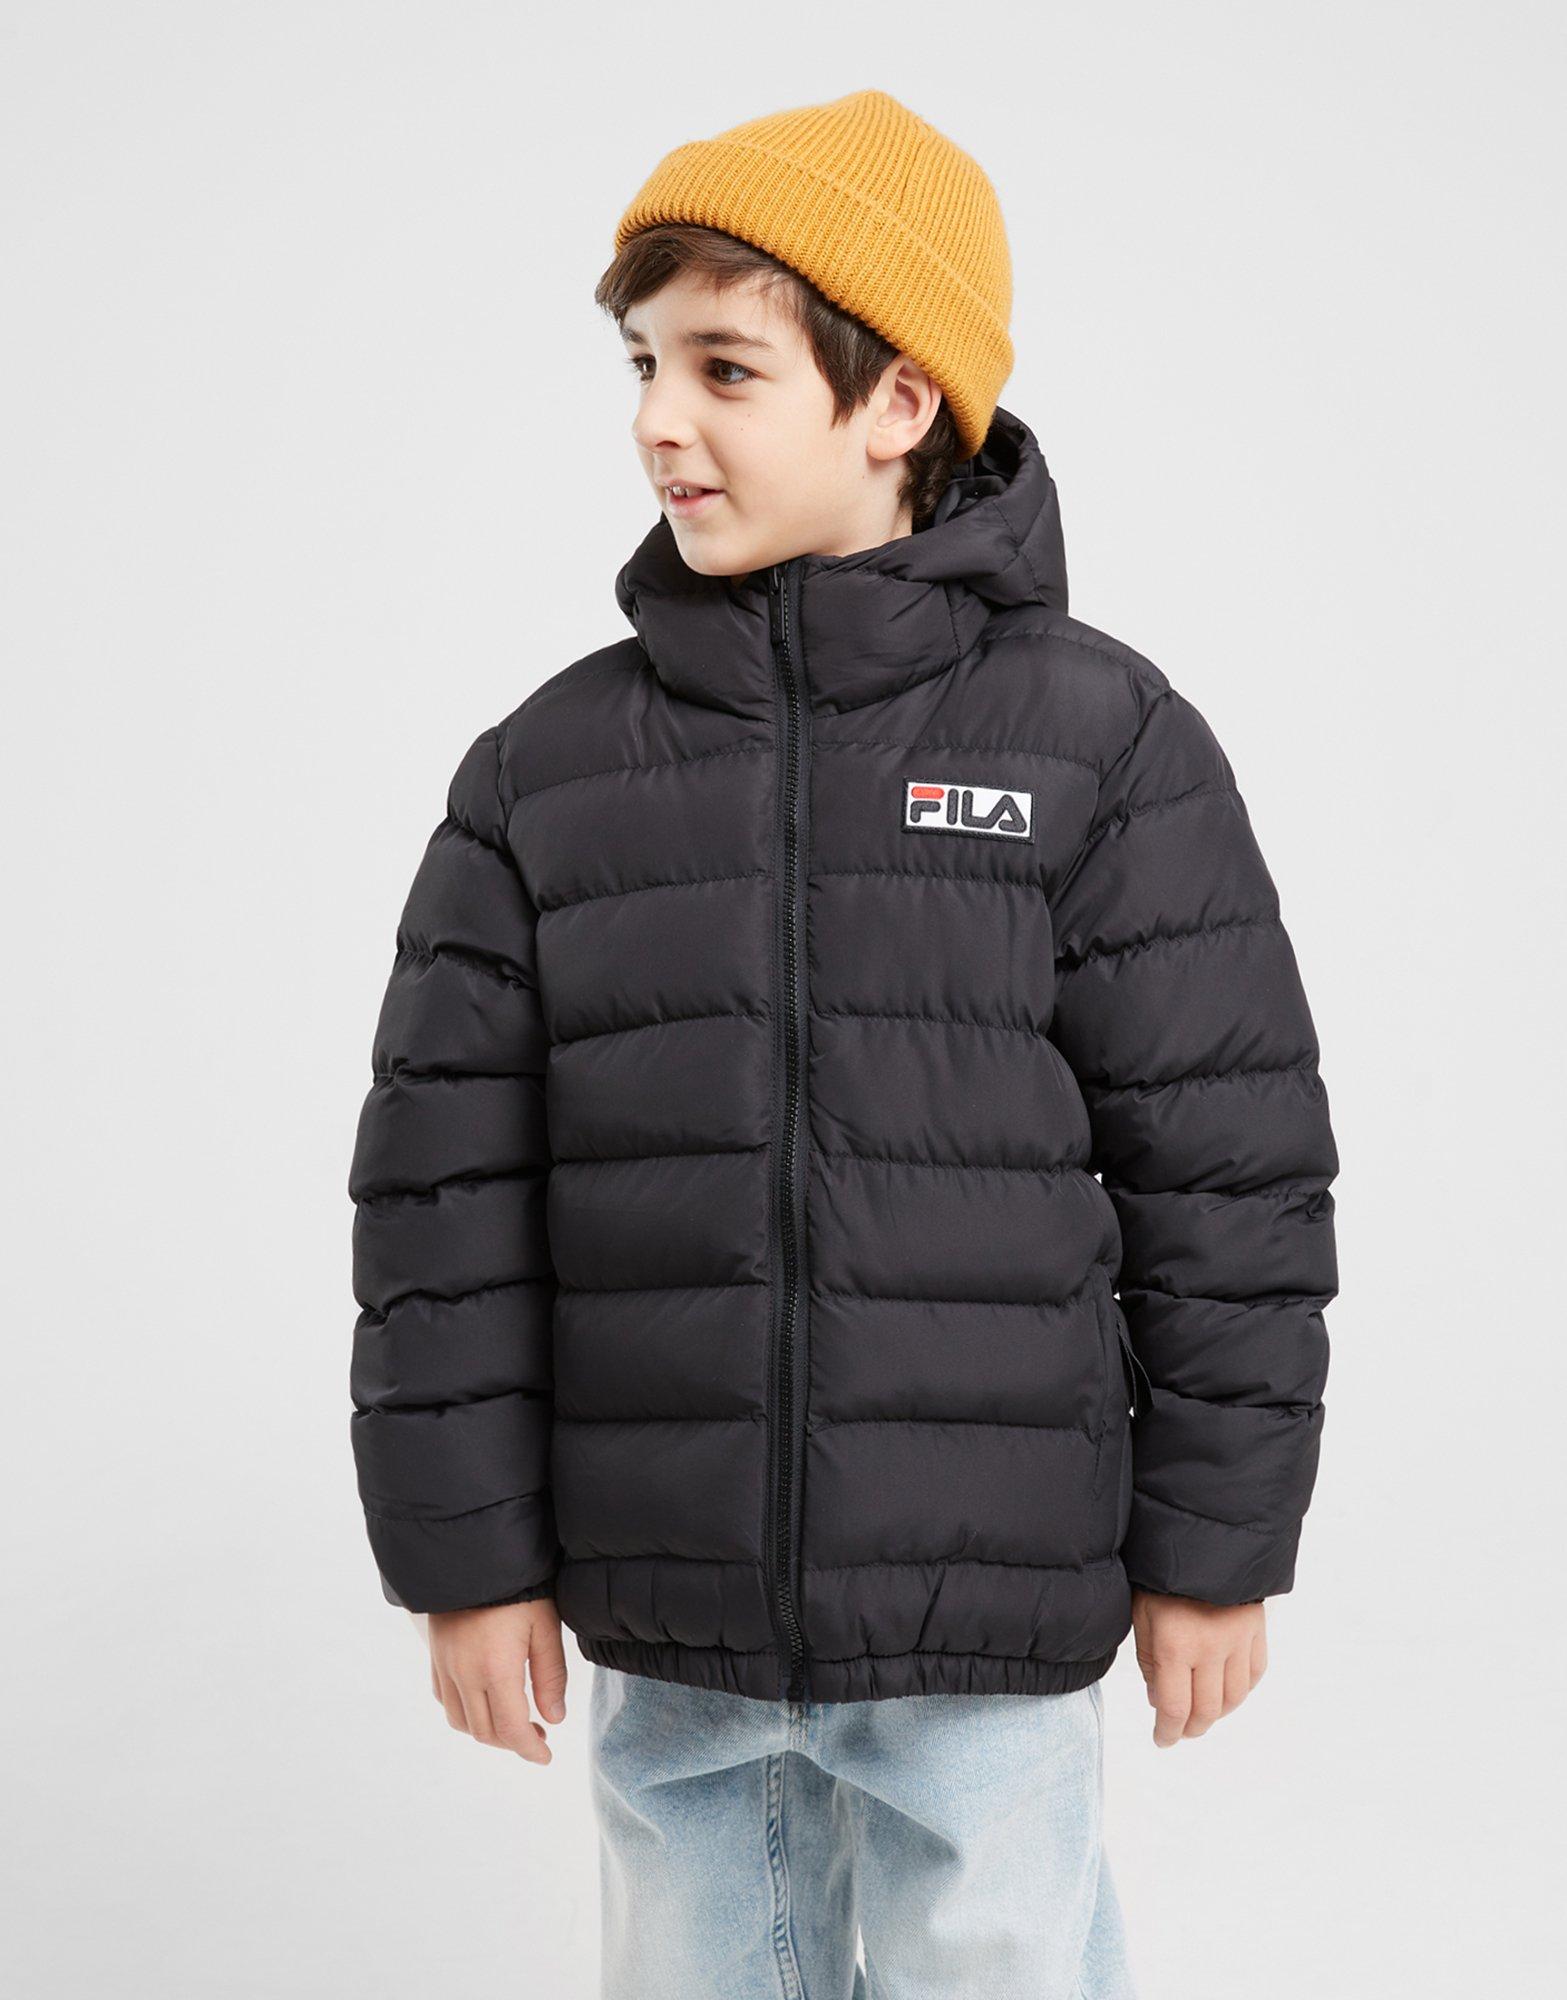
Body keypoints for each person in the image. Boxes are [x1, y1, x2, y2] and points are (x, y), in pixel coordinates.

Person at [346, 86, 1338, 1999]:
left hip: (987, 1615)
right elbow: (441, 1200)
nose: (661, 418)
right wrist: (465, 1560)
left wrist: (1218, 1543)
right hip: (673, 1612)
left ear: (898, 404)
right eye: (644, 364)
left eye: (725, 367)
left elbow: (1229, 1172)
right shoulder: (547, 775)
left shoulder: (1101, 746)